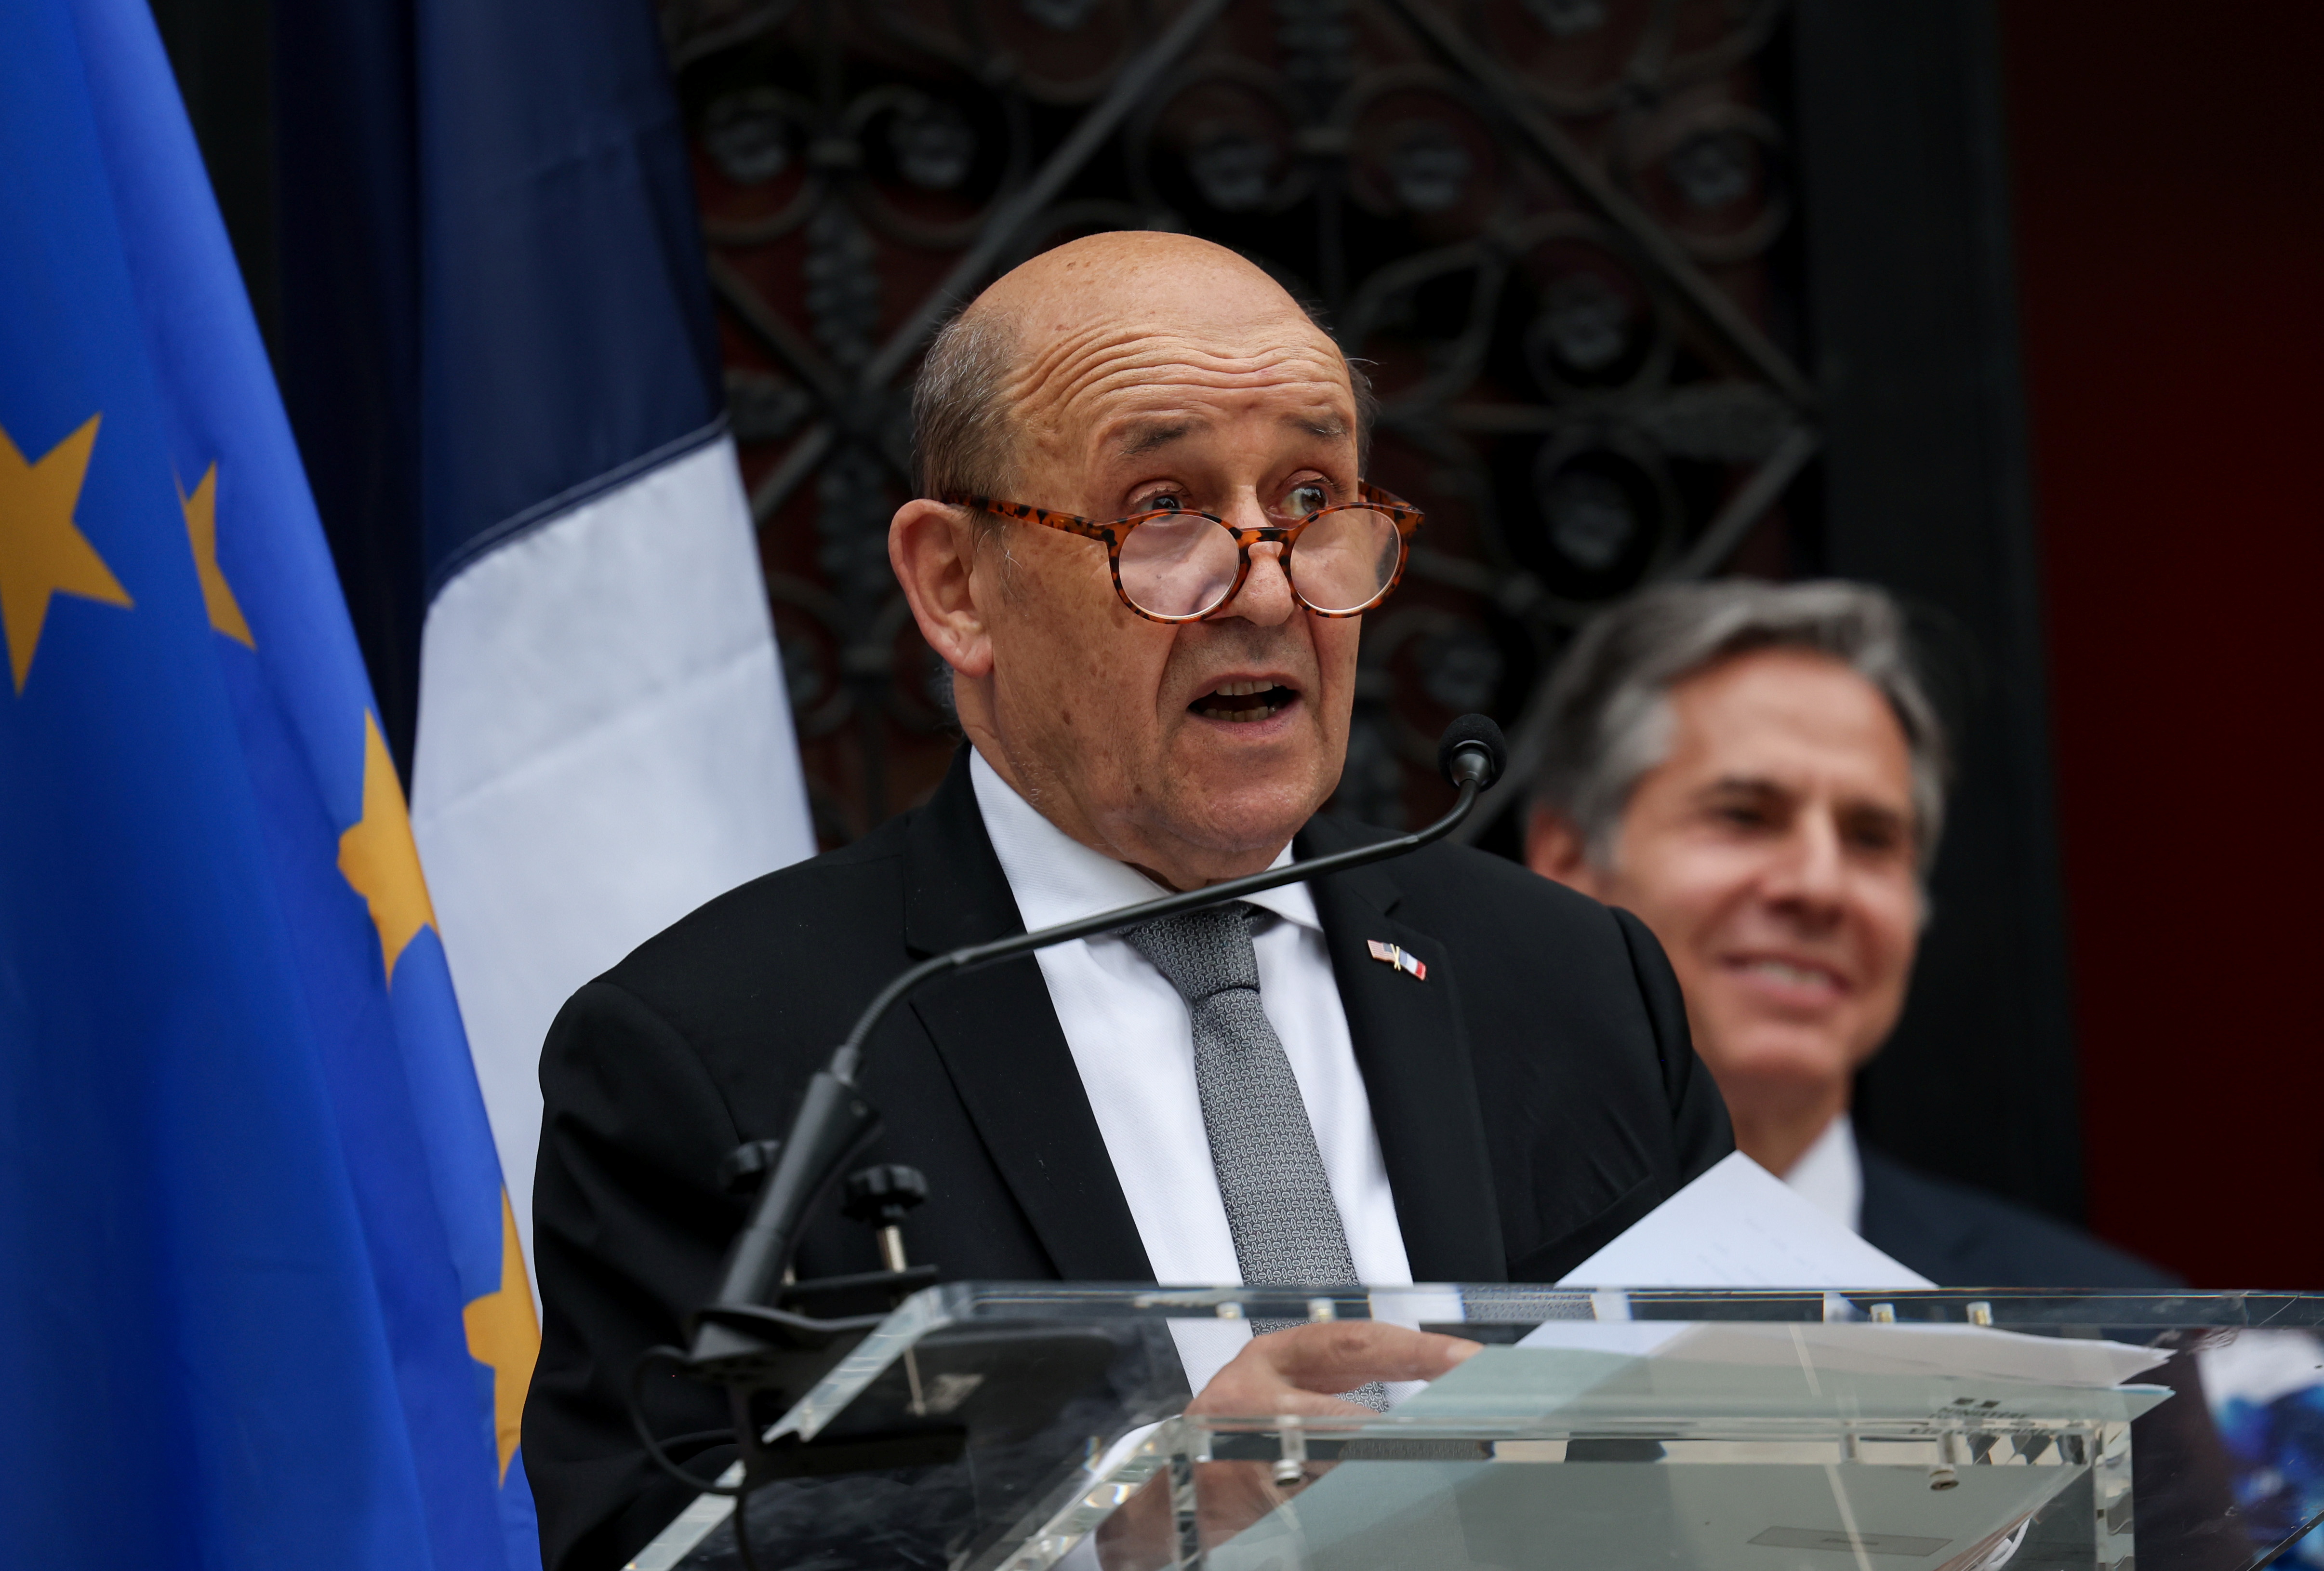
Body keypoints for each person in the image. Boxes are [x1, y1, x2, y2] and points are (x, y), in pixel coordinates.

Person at [523, 232, 1731, 1571]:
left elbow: (1740, 1447)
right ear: (954, 584)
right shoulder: (728, 1050)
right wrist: (1114, 1528)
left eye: (1315, 496)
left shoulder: (1571, 982)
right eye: (1162, 509)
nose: (1266, 584)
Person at [1523, 579, 2174, 1288]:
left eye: (1871, 837)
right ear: (1569, 859)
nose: (1819, 886)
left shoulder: (2106, 1331)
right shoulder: (1411, 1259)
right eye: (1745, 815)